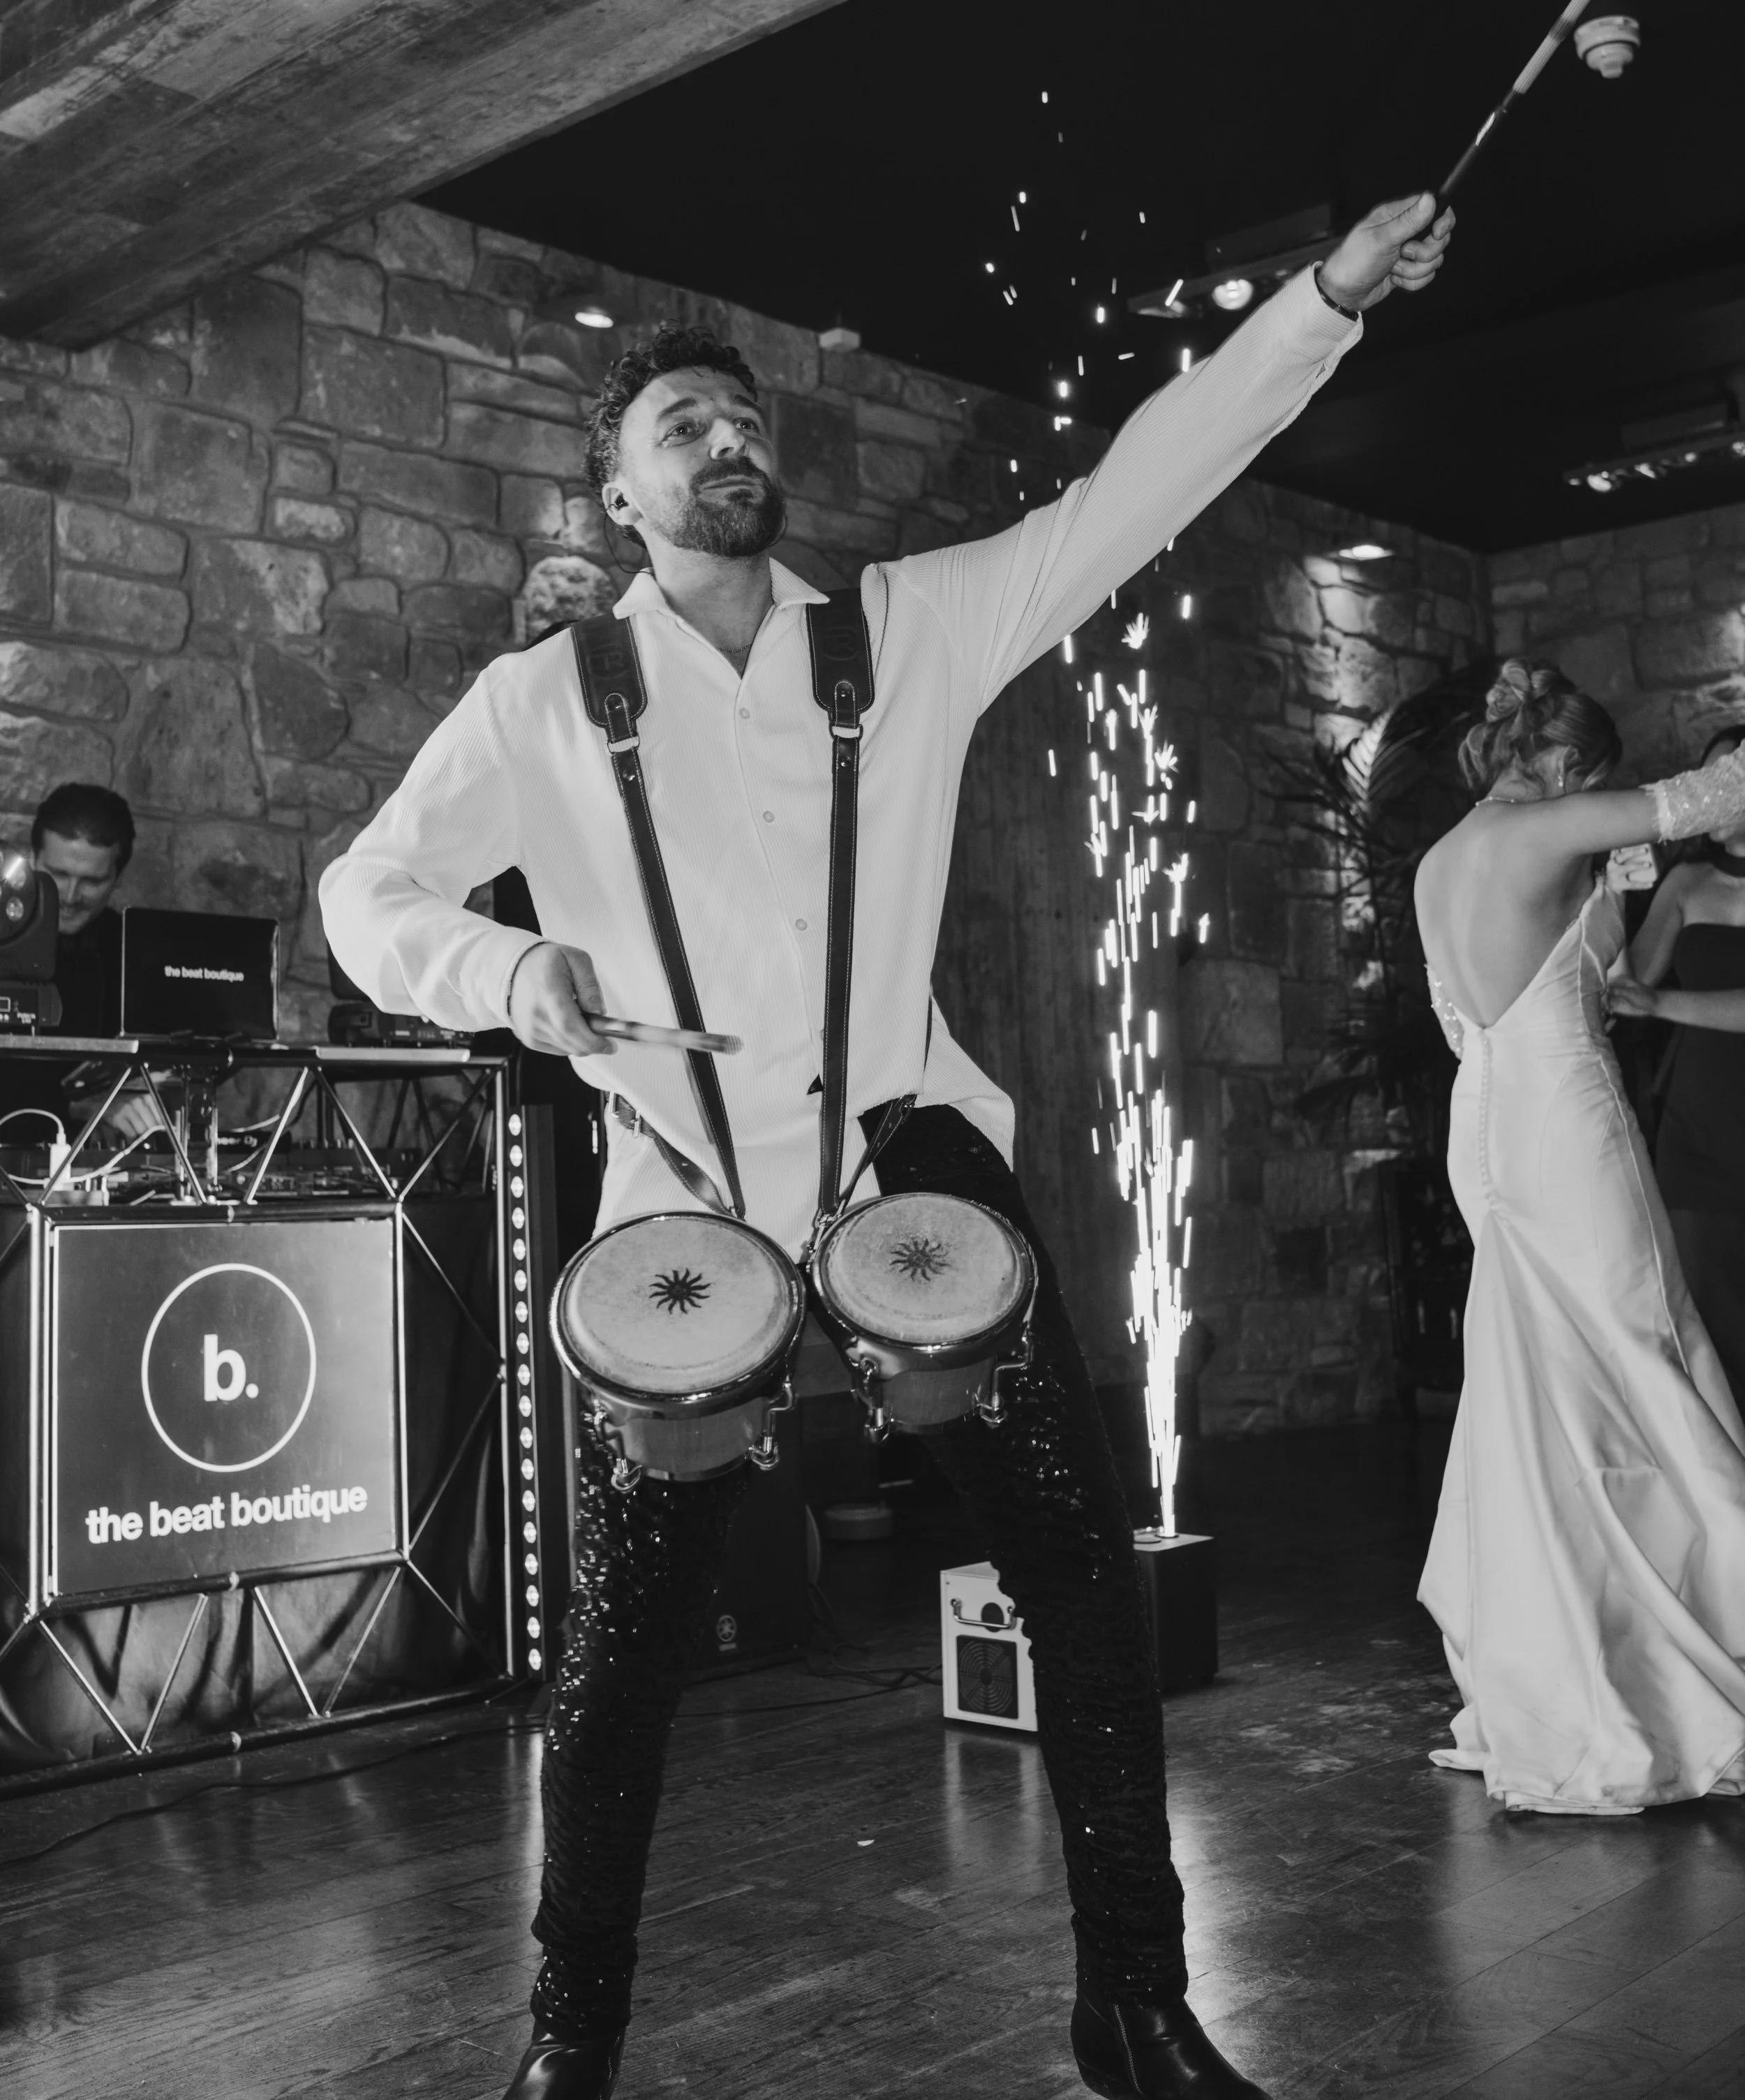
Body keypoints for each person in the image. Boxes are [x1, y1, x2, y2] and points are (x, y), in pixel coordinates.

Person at [322, 194, 1453, 2100]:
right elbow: (365, 894)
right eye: (678, 421)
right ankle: (566, 2038)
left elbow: (1131, 492)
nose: (721, 436)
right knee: (617, 1660)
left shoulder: (908, 631)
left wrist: (1320, 303)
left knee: (1084, 1582)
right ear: (615, 495)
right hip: (680, 1191)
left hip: (903, 1156)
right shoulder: (538, 702)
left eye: (739, 413)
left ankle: (1133, 2002)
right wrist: (509, 965)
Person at [1414, 663, 1745, 1817]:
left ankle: (1572, 1655)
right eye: (1593, 779)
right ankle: (1705, 1634)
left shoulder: (1444, 859)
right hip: (1563, 1118)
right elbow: (1710, 800)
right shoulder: (1547, 828)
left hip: (1488, 1127)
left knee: (1544, 1384)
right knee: (1639, 1349)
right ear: (1563, 768)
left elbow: (1608, 888)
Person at [1608, 723, 1745, 1414]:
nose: (1710, 799)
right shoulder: (1687, 883)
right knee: (1713, 1338)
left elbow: (1655, 999)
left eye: (1726, 783)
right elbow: (1625, 990)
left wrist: (1664, 1003)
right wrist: (1606, 893)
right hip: (1700, 1132)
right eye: (1705, 784)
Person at [0, 783, 134, 1147]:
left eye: (92, 881)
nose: (72, 897)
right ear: (33, 860)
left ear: (118, 877)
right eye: (58, 874)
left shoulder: (131, 949)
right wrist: (80, 1107)